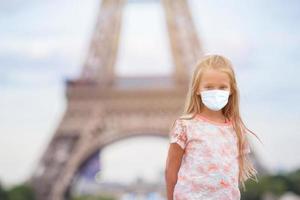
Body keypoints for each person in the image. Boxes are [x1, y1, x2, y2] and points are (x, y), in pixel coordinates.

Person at [164, 54, 261, 200]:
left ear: (231, 90)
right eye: (209, 87)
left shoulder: (236, 129)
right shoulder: (185, 126)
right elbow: (171, 171)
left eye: (222, 87)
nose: (216, 92)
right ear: (197, 89)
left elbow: (233, 175)